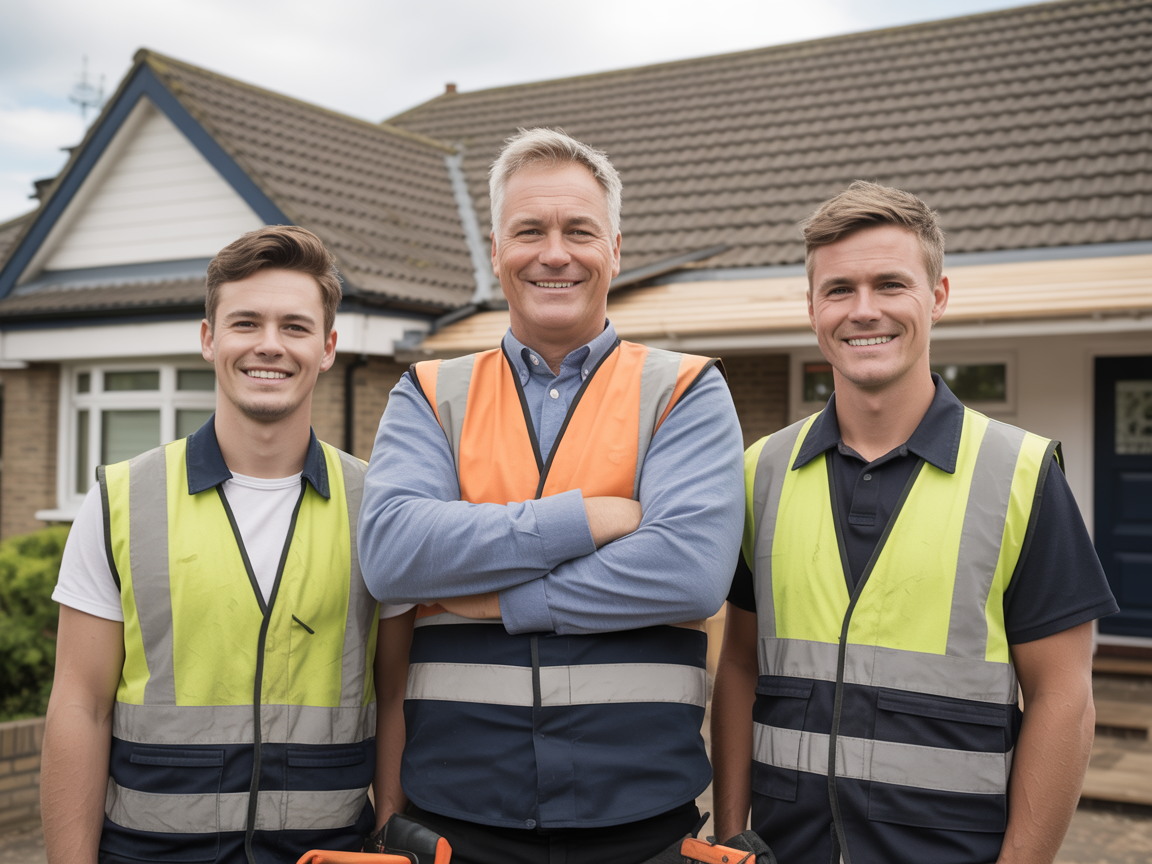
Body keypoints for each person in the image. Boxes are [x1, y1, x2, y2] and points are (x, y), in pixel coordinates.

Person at [357, 128, 745, 864]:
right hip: (456, 820)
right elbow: (392, 555)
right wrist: (590, 519)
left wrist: (494, 598)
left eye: (579, 230)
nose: (555, 252)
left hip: (640, 823)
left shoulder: (685, 390)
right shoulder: (428, 392)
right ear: (497, 251)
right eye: (529, 230)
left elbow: (691, 572)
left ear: (616, 249)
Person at [710, 181, 1118, 864]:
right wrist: (728, 838)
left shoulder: (1019, 472)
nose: (863, 310)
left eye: (890, 284)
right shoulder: (760, 472)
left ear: (938, 296)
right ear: (812, 308)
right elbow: (741, 665)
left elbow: (1064, 697)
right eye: (839, 289)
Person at [40, 226, 413, 864]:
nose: (270, 345)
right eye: (246, 323)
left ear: (326, 348)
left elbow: (398, 698)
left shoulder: (381, 506)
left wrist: (390, 843)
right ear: (210, 338)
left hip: (328, 853)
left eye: (295, 327)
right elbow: (80, 704)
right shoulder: (119, 501)